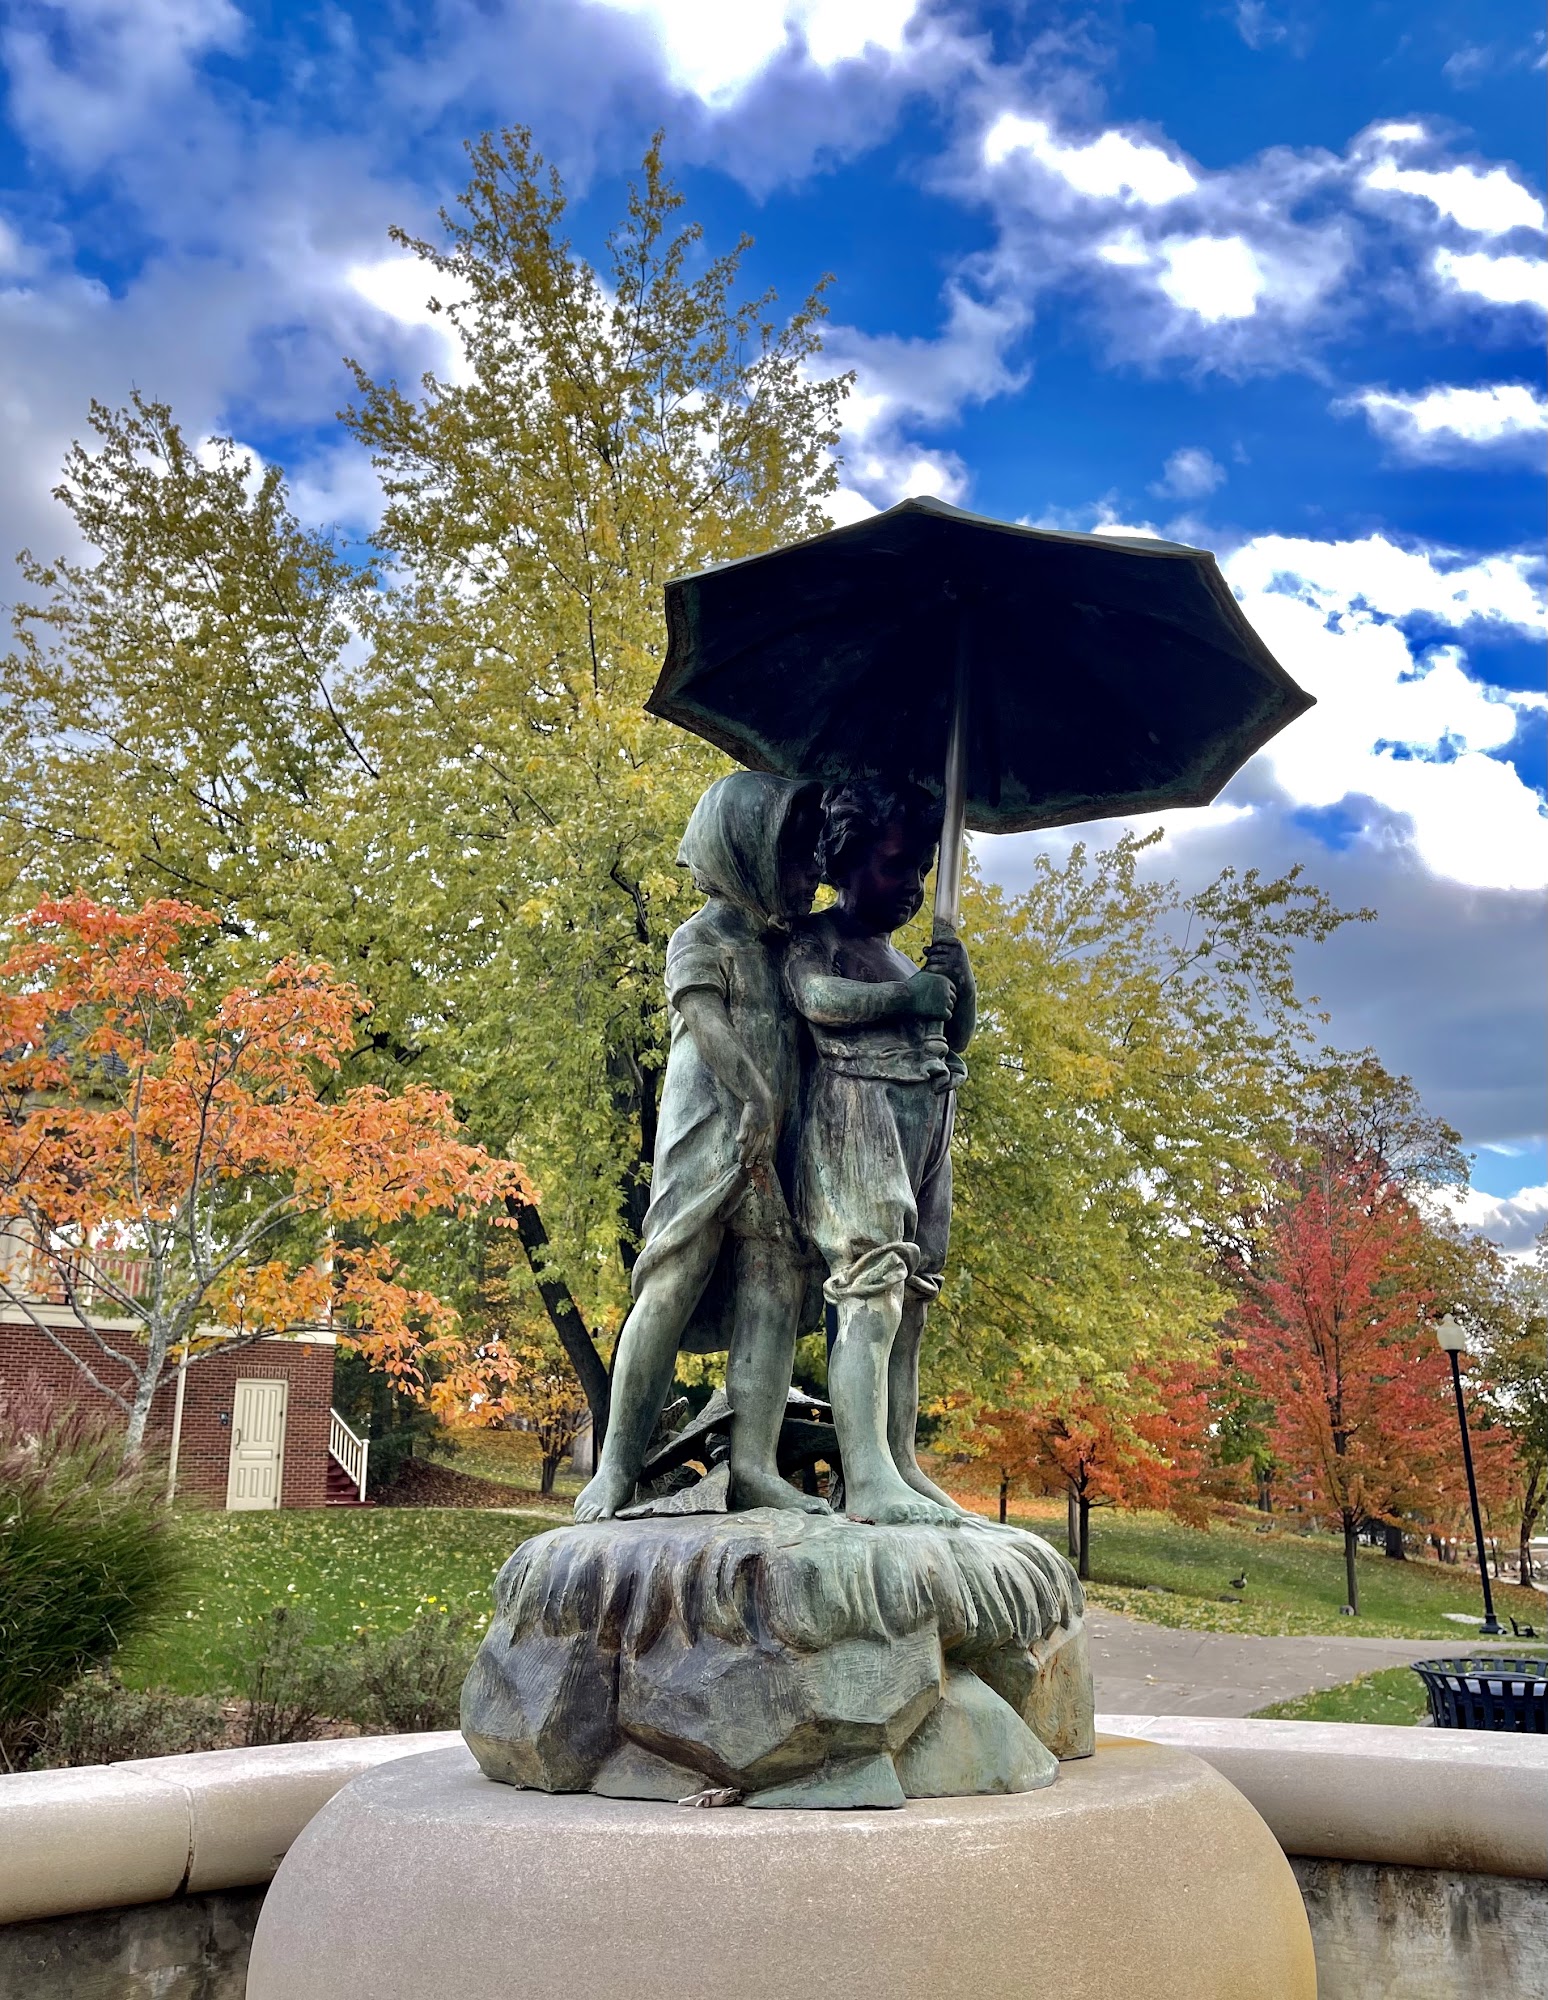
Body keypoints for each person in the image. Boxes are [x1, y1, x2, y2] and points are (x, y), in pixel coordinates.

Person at [574, 771, 827, 1522]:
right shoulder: (700, 938)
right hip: (707, 1134)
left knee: (773, 1287)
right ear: (744, 853)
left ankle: (753, 1466)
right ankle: (615, 1467)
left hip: (774, 1145)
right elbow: (708, 1027)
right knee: (672, 1280)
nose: (814, 872)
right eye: (797, 857)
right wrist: (756, 1095)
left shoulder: (791, 951)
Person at [785, 779, 975, 1526]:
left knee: (914, 1297)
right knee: (871, 1287)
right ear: (845, 859)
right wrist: (907, 998)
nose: (913, 886)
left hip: (927, 1128)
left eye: (923, 869)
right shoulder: (819, 937)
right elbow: (816, 999)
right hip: (857, 1116)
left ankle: (900, 1460)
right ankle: (865, 1475)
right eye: (896, 865)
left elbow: (951, 1037)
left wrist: (958, 987)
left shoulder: (906, 958)